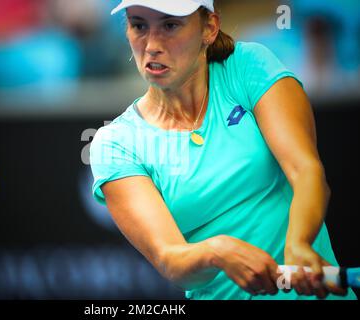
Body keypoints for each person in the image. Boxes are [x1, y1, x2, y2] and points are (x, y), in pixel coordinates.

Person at [89, 0, 357, 300]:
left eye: (170, 25)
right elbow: (171, 259)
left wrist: (298, 245)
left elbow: (306, 171)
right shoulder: (114, 144)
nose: (151, 45)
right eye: (139, 25)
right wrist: (217, 251)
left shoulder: (248, 65)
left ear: (209, 28)